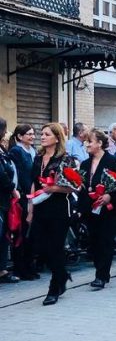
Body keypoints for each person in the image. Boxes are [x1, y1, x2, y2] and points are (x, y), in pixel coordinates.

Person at [28, 123, 74, 305]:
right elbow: (34, 184)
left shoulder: (65, 159)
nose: (42, 136)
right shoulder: (38, 158)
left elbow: (71, 187)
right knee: (42, 248)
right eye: (42, 134)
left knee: (55, 248)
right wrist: (30, 209)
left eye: (47, 134)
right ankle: (62, 274)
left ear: (57, 137)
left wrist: (52, 188)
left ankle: (54, 288)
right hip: (40, 208)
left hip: (58, 210)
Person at [79, 129, 116, 290]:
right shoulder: (85, 164)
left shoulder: (113, 161)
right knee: (94, 242)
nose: (87, 144)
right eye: (85, 141)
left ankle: (102, 275)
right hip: (91, 209)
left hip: (108, 209)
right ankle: (99, 269)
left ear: (99, 143)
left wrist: (109, 196)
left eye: (90, 141)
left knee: (105, 240)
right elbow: (83, 187)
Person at [8, 124, 37, 279]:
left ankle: (30, 265)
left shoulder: (33, 151)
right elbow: (18, 176)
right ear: (19, 136)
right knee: (22, 234)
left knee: (31, 234)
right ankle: (21, 268)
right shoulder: (16, 152)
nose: (32, 137)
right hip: (23, 197)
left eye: (33, 134)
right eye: (28, 134)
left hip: (34, 196)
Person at [0, 117, 20, 285]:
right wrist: (13, 189)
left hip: (4, 201)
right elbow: (2, 176)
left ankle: (2, 269)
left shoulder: (2, 150)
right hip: (2, 199)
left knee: (4, 236)